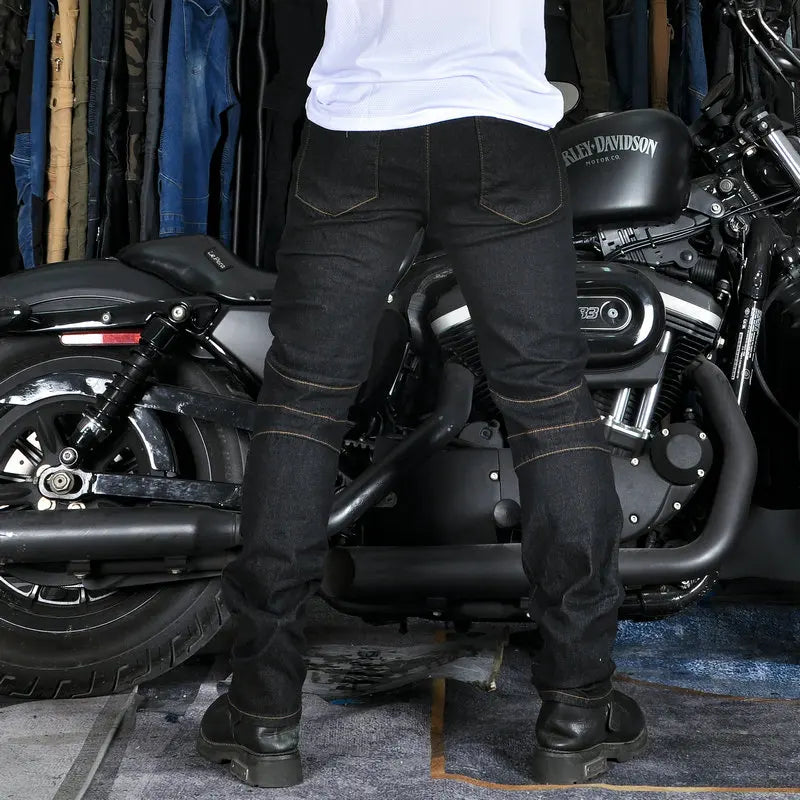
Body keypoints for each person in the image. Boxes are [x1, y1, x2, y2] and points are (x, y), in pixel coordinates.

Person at [196, 0, 647, 788]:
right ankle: (577, 706)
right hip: (498, 122)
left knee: (303, 404)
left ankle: (263, 709)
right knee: (549, 409)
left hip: (360, 121)